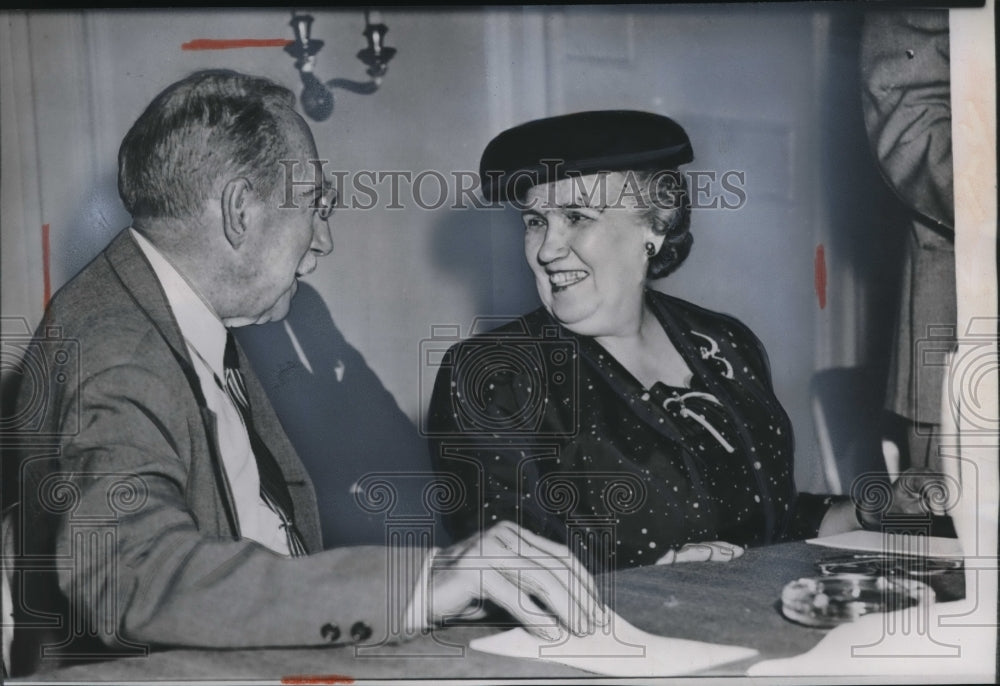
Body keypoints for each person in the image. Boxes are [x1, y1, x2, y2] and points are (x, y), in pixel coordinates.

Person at [5, 70, 603, 675]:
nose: (325, 240)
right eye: (316, 206)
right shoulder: (122, 344)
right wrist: (424, 583)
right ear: (241, 211)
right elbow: (130, 572)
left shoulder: (167, 307)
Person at [428, 110, 937, 573]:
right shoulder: (494, 375)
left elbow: (767, 522)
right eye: (536, 222)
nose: (547, 248)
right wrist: (656, 579)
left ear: (655, 225)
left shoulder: (725, 344)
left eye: (576, 217)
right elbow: (502, 573)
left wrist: (874, 507)